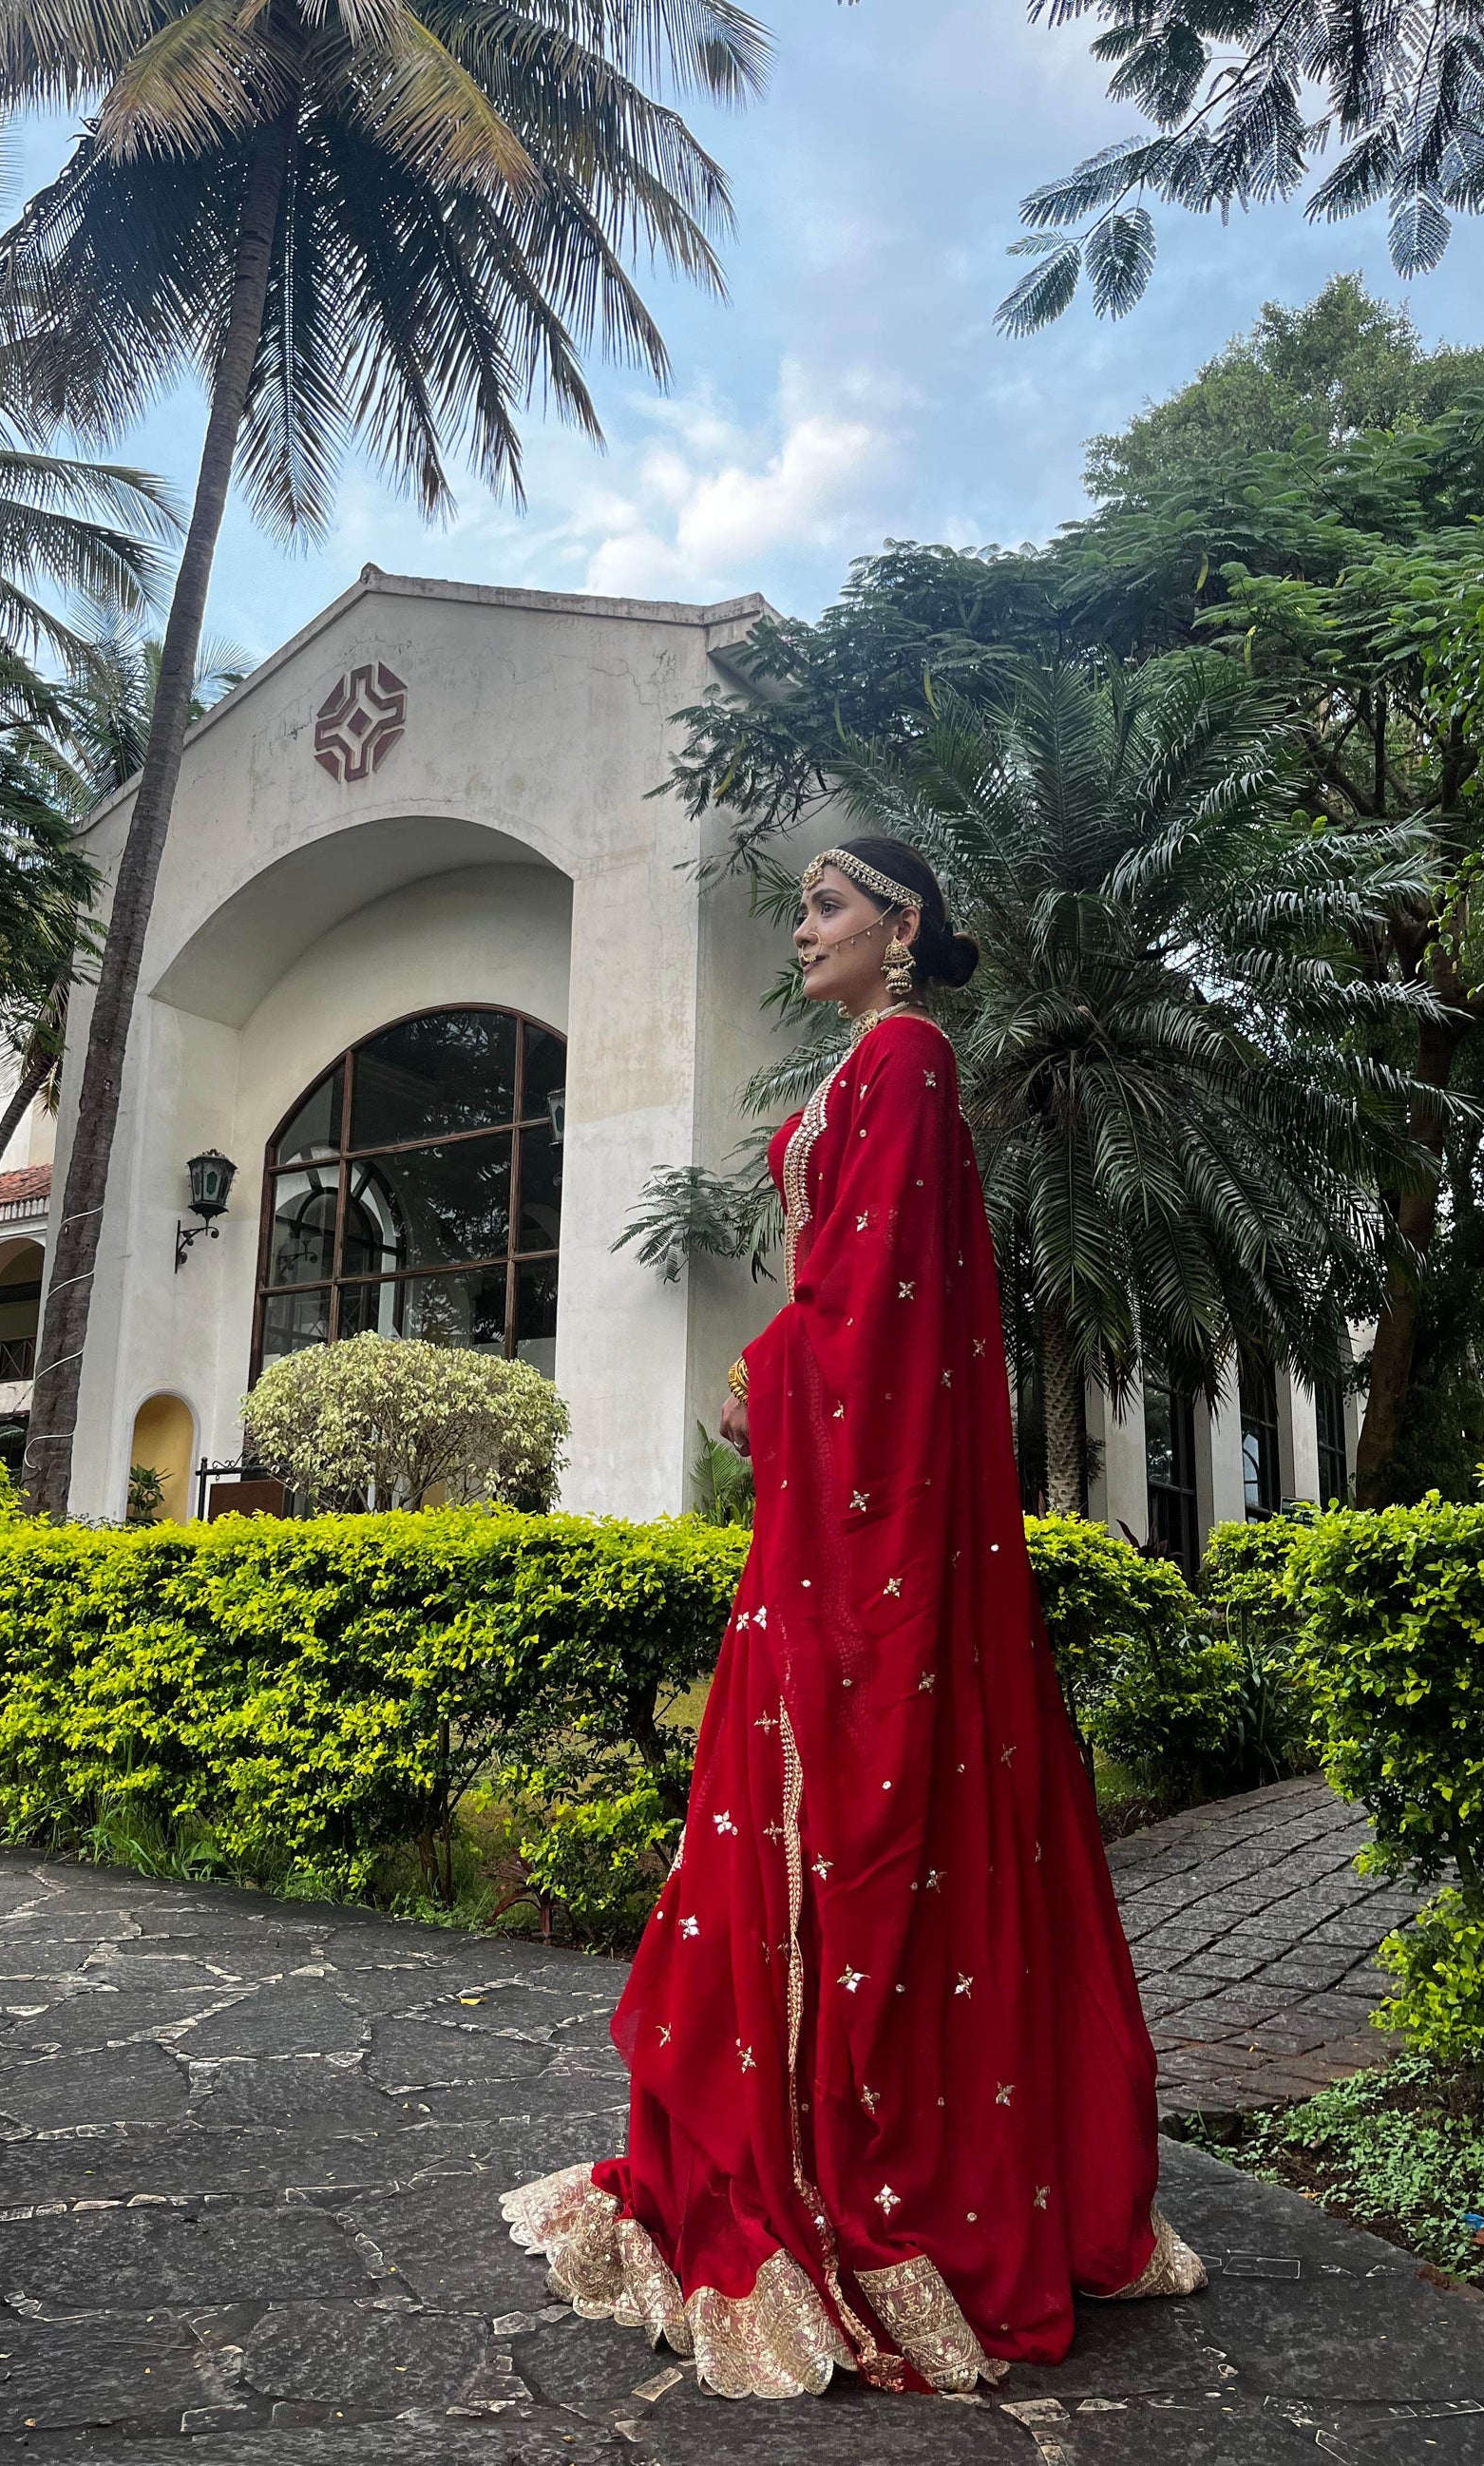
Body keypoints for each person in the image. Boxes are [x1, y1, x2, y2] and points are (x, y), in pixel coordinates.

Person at [502, 838, 1203, 2399]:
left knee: (855, 1812)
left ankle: (856, 2179)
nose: (803, 933)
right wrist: (779, 1378)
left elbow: (887, 1298)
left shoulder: (908, 1058)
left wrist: (764, 1378)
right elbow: (849, 1278)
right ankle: (789, 2142)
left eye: (827, 908)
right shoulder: (867, 1064)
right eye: (807, 909)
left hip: (860, 1528)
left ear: (901, 926)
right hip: (822, 1524)